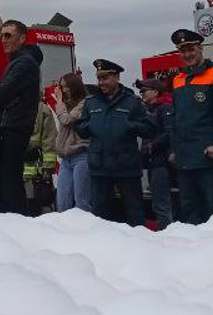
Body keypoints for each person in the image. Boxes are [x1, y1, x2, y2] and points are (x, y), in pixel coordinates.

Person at [75, 59, 155, 227]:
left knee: (134, 212)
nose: (101, 83)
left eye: (106, 78)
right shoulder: (91, 102)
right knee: (99, 214)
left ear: (117, 78)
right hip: (100, 166)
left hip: (126, 166)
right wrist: (89, 125)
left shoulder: (132, 102)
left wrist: (129, 125)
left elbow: (149, 129)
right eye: (99, 78)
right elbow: (81, 128)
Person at [169, 29, 213, 225]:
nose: (187, 55)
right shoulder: (178, 80)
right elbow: (176, 118)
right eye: (183, 51)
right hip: (185, 157)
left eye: (191, 49)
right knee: (189, 211)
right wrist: (174, 149)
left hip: (209, 156)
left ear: (201, 49)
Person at [0, 19, 42, 214]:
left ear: (23, 38)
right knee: (4, 184)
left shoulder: (24, 64)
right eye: (1, 35)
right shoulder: (18, 63)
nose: (3, 40)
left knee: (9, 186)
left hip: (13, 130)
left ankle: (16, 226)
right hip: (10, 128)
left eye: (8, 35)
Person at [135, 76, 176, 229]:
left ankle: (168, 235)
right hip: (154, 164)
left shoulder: (165, 108)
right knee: (158, 204)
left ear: (155, 92)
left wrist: (152, 145)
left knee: (161, 205)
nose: (142, 94)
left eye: (144, 90)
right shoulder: (151, 111)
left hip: (161, 164)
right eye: (140, 91)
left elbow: (170, 132)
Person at [52, 72, 92, 213]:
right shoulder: (67, 105)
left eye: (66, 86)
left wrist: (59, 102)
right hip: (66, 158)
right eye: (62, 87)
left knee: (82, 202)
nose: (64, 90)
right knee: (62, 202)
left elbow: (67, 120)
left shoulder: (85, 103)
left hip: (81, 156)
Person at [23, 93, 57, 216]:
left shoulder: (42, 110)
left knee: (35, 207)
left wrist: (47, 170)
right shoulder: (10, 108)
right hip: (13, 172)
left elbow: (49, 140)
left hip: (35, 174)